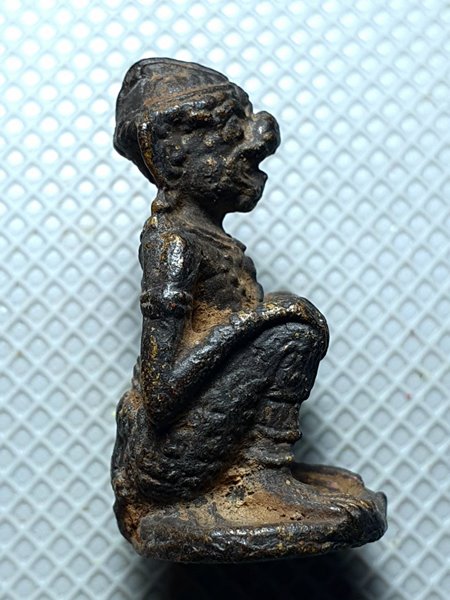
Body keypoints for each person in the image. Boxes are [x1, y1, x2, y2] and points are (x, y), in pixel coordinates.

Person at [111, 58, 329, 512]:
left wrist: (259, 318)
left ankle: (266, 472)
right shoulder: (172, 245)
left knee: (287, 322)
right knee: (292, 332)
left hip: (192, 443)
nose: (257, 147)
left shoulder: (210, 240)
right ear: (175, 160)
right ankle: (262, 475)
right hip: (168, 459)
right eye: (231, 136)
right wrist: (258, 318)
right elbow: (161, 395)